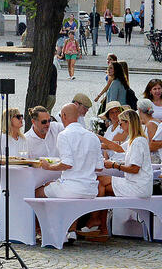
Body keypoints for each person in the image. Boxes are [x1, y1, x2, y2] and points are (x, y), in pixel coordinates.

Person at [87, 109, 152, 240]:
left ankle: (96, 222)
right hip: (136, 184)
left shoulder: (138, 141)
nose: (120, 127)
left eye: (121, 123)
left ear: (129, 123)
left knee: (100, 182)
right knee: (102, 186)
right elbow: (118, 148)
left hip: (138, 186)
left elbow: (134, 169)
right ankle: (100, 228)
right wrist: (99, 140)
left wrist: (114, 165)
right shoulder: (135, 140)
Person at [35, 103, 101, 200]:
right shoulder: (93, 137)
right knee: (52, 186)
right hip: (91, 190)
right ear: (78, 116)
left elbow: (67, 164)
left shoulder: (64, 135)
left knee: (36, 193)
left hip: (71, 189)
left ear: (64, 116)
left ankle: (48, 215)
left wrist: (48, 167)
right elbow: (99, 167)